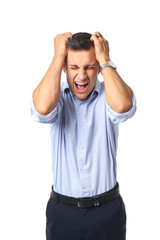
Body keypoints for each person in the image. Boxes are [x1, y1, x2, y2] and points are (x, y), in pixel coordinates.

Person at [31, 31, 136, 240]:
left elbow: (124, 107)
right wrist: (57, 58)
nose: (81, 75)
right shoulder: (57, 98)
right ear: (64, 68)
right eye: (73, 67)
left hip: (107, 212)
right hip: (63, 213)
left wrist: (105, 58)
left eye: (89, 66)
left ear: (98, 67)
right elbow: (41, 108)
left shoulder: (110, 95)